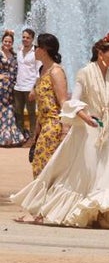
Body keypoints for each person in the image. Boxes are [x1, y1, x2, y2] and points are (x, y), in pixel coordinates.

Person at [12, 33, 109, 228]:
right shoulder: (85, 72)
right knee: (88, 171)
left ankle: (101, 213)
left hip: (105, 131)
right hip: (87, 130)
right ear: (101, 53)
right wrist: (85, 117)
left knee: (106, 172)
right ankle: (79, 210)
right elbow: (73, 100)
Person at [22, 34, 67, 176]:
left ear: (44, 50)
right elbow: (41, 104)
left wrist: (65, 130)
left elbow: (63, 102)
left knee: (45, 167)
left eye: (36, 47)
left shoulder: (56, 71)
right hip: (43, 124)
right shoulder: (42, 70)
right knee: (38, 165)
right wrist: (37, 128)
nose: (33, 50)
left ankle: (47, 197)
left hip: (54, 126)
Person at [0, 29, 27, 146]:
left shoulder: (14, 55)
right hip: (1, 86)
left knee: (10, 110)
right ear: (2, 41)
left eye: (9, 42)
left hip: (11, 87)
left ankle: (10, 136)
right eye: (5, 41)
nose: (7, 43)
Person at [14, 27, 38, 141]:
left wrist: (34, 88)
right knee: (18, 113)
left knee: (32, 113)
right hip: (18, 87)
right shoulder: (19, 50)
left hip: (29, 87)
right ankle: (20, 137)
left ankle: (32, 138)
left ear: (32, 39)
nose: (25, 39)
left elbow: (39, 71)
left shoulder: (36, 52)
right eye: (23, 37)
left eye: (28, 37)